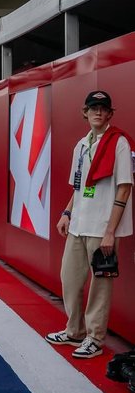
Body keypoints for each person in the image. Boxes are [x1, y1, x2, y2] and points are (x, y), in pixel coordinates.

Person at [45, 90, 133, 360]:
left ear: (109, 113)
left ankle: (94, 338)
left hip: (102, 227)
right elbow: (79, 186)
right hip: (78, 225)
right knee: (69, 279)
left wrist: (111, 232)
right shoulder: (81, 145)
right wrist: (66, 213)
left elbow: (124, 188)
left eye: (102, 108)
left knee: (100, 286)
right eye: (92, 107)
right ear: (85, 112)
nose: (97, 112)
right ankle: (74, 332)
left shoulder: (118, 143)